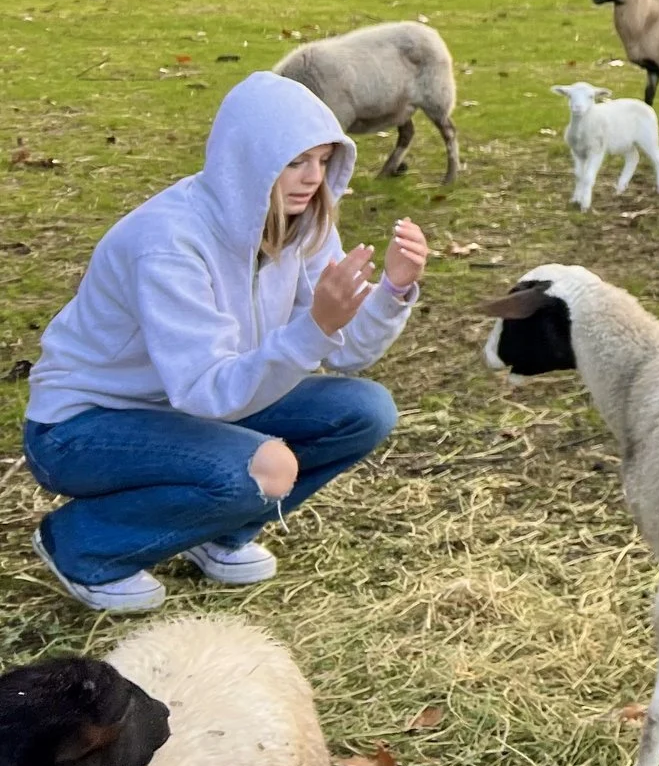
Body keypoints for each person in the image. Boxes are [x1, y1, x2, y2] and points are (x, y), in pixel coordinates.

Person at [24, 70, 424, 613]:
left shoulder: (302, 224)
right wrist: (314, 327)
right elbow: (206, 391)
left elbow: (349, 352)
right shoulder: (168, 242)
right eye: (294, 162)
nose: (312, 179)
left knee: (364, 410)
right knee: (264, 467)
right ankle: (84, 545)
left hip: (191, 410)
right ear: (249, 160)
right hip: (83, 425)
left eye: (323, 160)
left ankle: (220, 533)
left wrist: (392, 291)